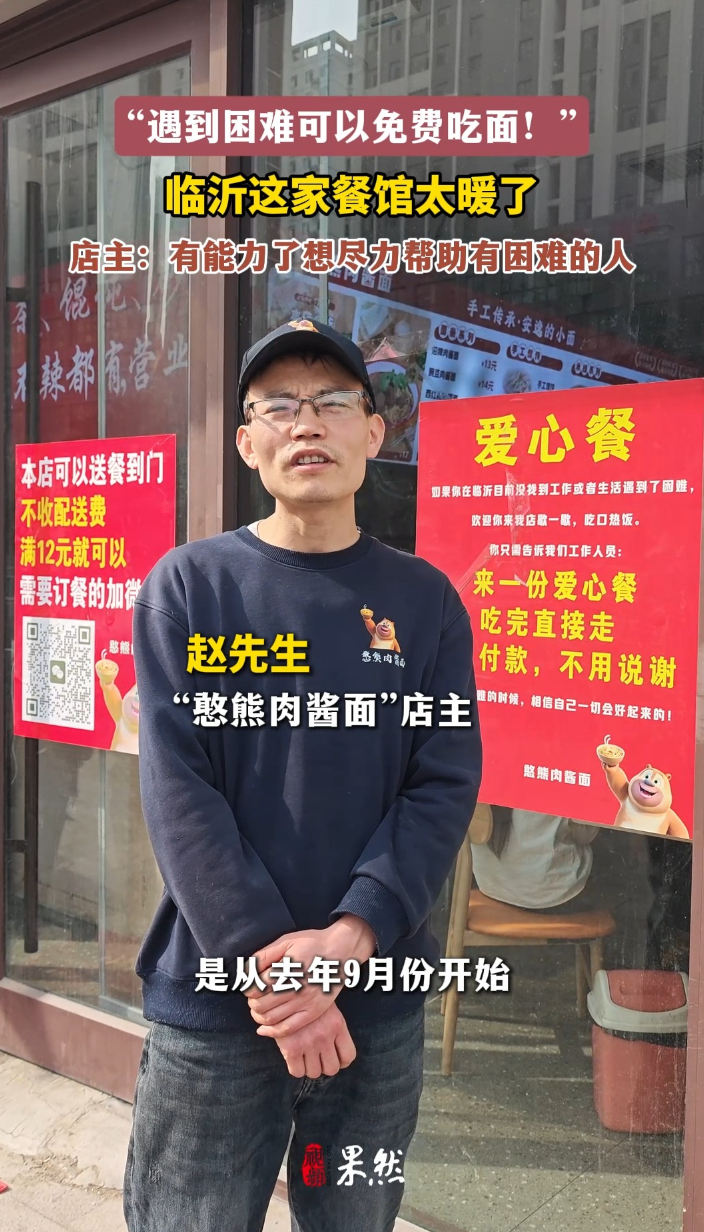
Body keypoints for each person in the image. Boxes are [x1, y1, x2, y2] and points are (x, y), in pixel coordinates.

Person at [123, 318, 482, 1232]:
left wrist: (352, 937)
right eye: (278, 406)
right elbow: (178, 791)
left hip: (377, 1005)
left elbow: (442, 782)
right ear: (248, 443)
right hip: (218, 1004)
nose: (307, 423)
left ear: (376, 432)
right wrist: (277, 972)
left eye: (332, 401)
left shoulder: (426, 601)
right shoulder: (190, 589)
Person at [471, 806, 602, 913]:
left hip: (489, 887)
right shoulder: (560, 783)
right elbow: (585, 836)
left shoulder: (473, 781)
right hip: (553, 897)